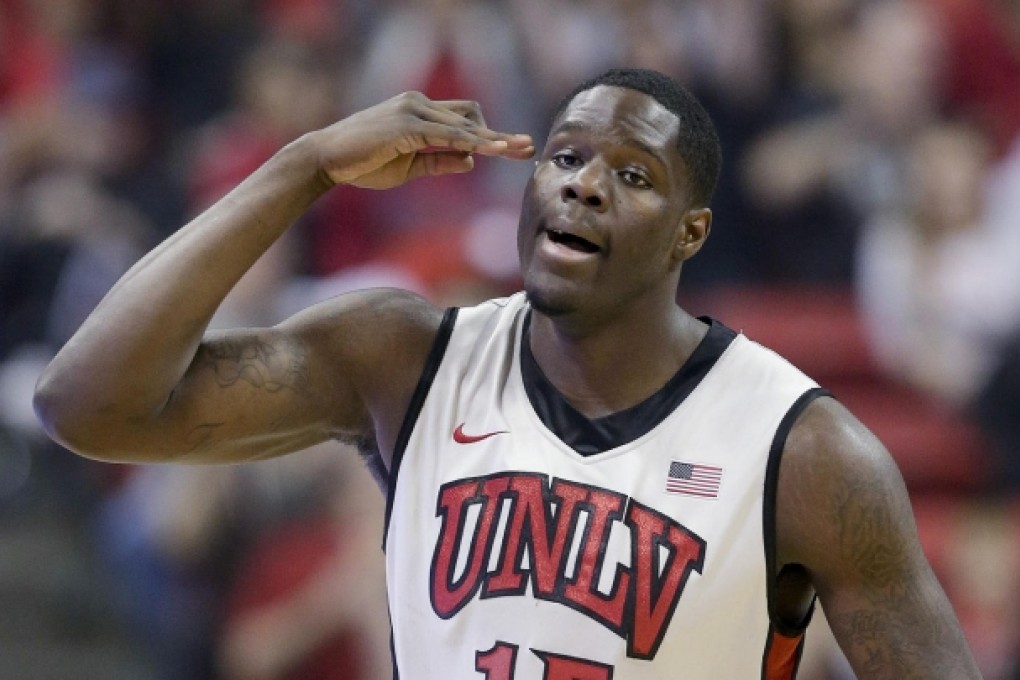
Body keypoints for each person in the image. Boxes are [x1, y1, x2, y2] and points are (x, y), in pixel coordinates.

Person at [33, 67, 980, 678]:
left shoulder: (805, 452)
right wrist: (306, 166)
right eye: (565, 156)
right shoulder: (403, 358)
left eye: (634, 176)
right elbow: (86, 405)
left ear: (691, 234)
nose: (584, 184)